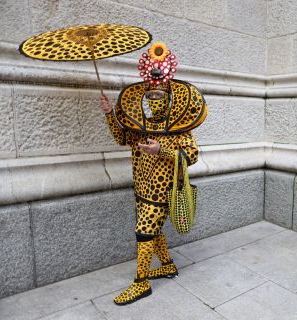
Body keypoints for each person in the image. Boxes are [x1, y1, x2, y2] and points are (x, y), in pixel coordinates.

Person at [100, 42, 207, 305]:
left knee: (144, 230)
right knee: (154, 229)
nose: (156, 100)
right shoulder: (139, 124)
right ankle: (168, 266)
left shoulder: (180, 127)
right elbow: (120, 137)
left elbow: (192, 156)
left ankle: (141, 283)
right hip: (141, 188)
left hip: (162, 191)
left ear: (170, 97)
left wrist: (163, 151)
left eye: (160, 96)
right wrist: (109, 114)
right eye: (151, 96)